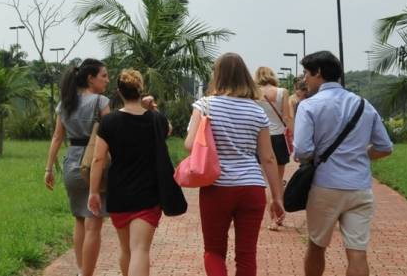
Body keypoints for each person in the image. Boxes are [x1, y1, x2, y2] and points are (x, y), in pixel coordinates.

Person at [293, 51, 393, 276]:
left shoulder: (309, 106)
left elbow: (302, 150)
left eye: (307, 73)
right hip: (360, 187)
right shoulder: (363, 105)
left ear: (318, 73)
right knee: (358, 252)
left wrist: (315, 157)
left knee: (317, 245)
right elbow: (385, 147)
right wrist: (362, 154)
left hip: (325, 186)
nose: (304, 79)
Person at [185, 53, 285, 276]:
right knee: (247, 254)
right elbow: (268, 158)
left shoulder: (205, 106)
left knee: (214, 251)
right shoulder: (257, 111)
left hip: (217, 186)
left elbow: (190, 144)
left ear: (217, 75)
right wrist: (277, 197)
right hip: (252, 188)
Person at [88, 69, 183, 276]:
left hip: (119, 194)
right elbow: (168, 128)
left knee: (126, 250)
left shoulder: (109, 122)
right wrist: (152, 107)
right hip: (148, 195)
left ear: (119, 91)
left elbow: (98, 159)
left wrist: (93, 191)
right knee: (140, 250)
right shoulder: (156, 120)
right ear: (141, 90)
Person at [45, 59, 111, 276]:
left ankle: (82, 270)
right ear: (90, 78)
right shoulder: (101, 102)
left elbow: (57, 137)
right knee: (94, 223)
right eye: (104, 76)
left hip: (71, 163)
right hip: (94, 164)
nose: (107, 81)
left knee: (79, 220)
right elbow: (112, 134)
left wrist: (48, 169)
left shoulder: (64, 103)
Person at [254, 66, 293, 185]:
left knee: (264, 178)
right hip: (279, 137)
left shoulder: (254, 93)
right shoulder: (282, 92)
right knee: (278, 178)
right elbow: (286, 117)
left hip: (260, 137)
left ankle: (265, 202)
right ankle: (277, 201)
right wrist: (294, 134)